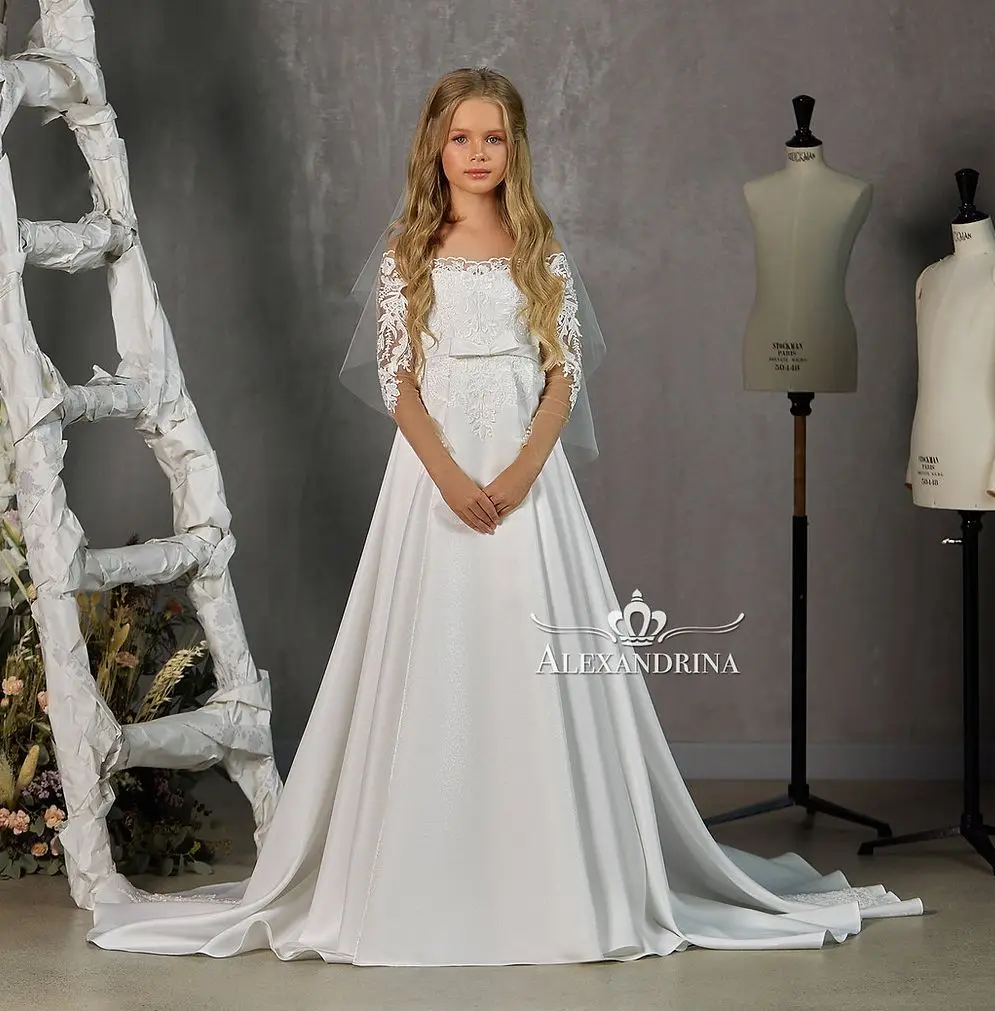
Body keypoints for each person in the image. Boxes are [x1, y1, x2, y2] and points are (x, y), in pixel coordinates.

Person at [86, 67, 921, 965]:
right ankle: (421, 871)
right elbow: (398, 382)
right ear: (435, 147)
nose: (477, 153)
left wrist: (522, 471)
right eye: (461, 138)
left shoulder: (537, 246)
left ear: (514, 148)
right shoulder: (410, 248)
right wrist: (449, 477)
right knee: (432, 654)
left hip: (527, 483)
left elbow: (563, 376)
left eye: (493, 138)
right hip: (434, 484)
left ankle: (553, 872)